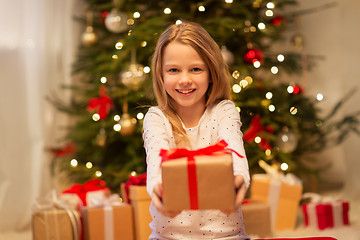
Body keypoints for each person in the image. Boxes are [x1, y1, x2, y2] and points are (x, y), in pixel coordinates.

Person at [142, 20, 250, 239]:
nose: (184, 80)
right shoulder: (156, 118)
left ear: (211, 72)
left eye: (196, 69)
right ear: (161, 75)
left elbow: (234, 148)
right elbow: (156, 160)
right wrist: (158, 189)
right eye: (173, 70)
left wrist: (239, 179)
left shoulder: (224, 111)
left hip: (226, 236)